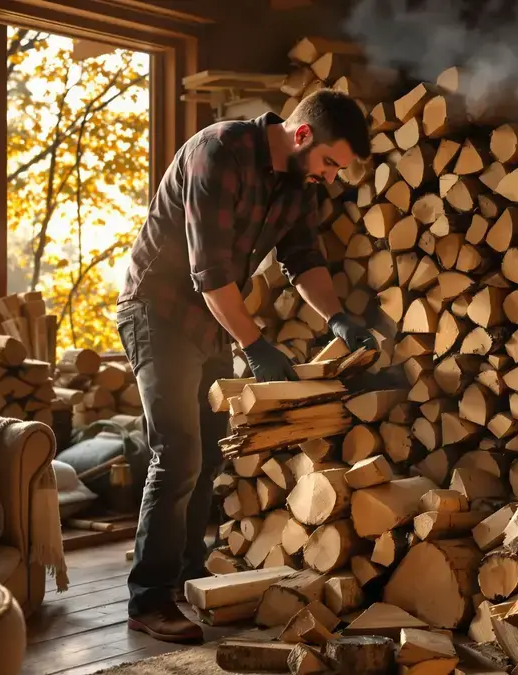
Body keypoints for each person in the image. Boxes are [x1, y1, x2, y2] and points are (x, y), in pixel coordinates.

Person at [115, 89, 377, 643]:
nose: (330, 177)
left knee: (208, 456)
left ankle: (187, 582)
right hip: (156, 314)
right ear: (302, 136)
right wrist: (256, 344)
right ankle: (149, 599)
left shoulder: (297, 183)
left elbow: (302, 257)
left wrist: (337, 320)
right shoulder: (219, 151)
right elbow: (208, 271)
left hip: (210, 322)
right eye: (331, 163)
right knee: (177, 452)